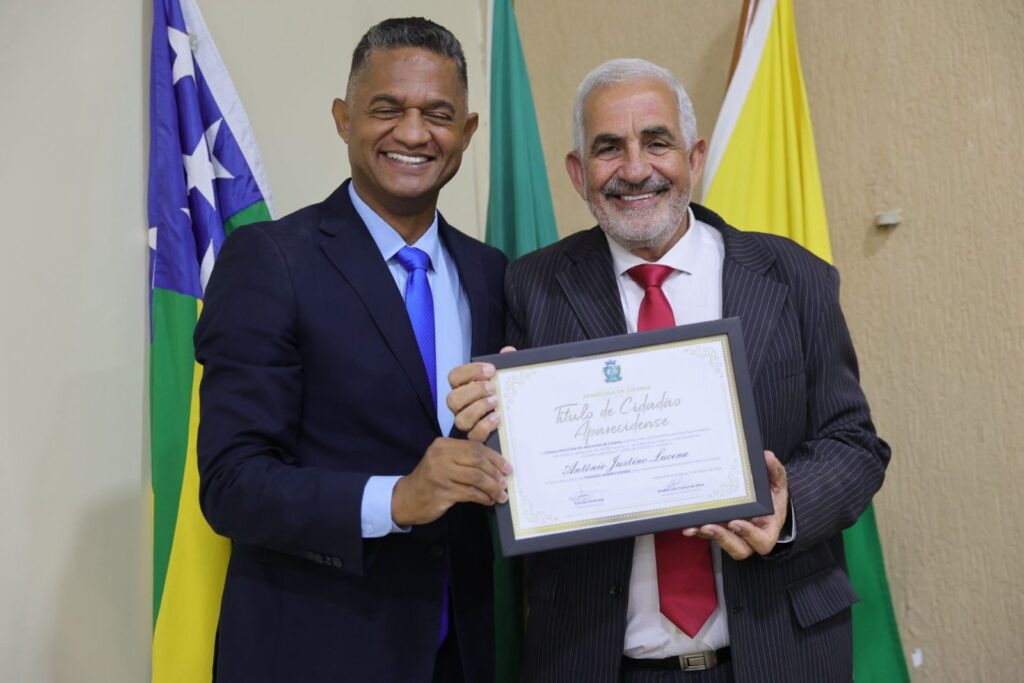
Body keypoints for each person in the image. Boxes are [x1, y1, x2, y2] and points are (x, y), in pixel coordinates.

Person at [448, 58, 890, 682]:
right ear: (577, 172)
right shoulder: (531, 287)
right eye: (609, 148)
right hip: (595, 661)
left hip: (779, 652)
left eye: (657, 142)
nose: (635, 169)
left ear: (695, 157)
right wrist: (491, 425)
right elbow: (507, 473)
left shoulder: (795, 277)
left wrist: (789, 505)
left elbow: (856, 444)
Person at [194, 18, 510, 683]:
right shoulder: (270, 261)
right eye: (387, 109)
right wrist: (395, 499)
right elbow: (231, 483)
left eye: (438, 114)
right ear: (344, 119)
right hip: (312, 655)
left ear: (468, 131)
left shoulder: (491, 272)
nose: (414, 133)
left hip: (460, 655)